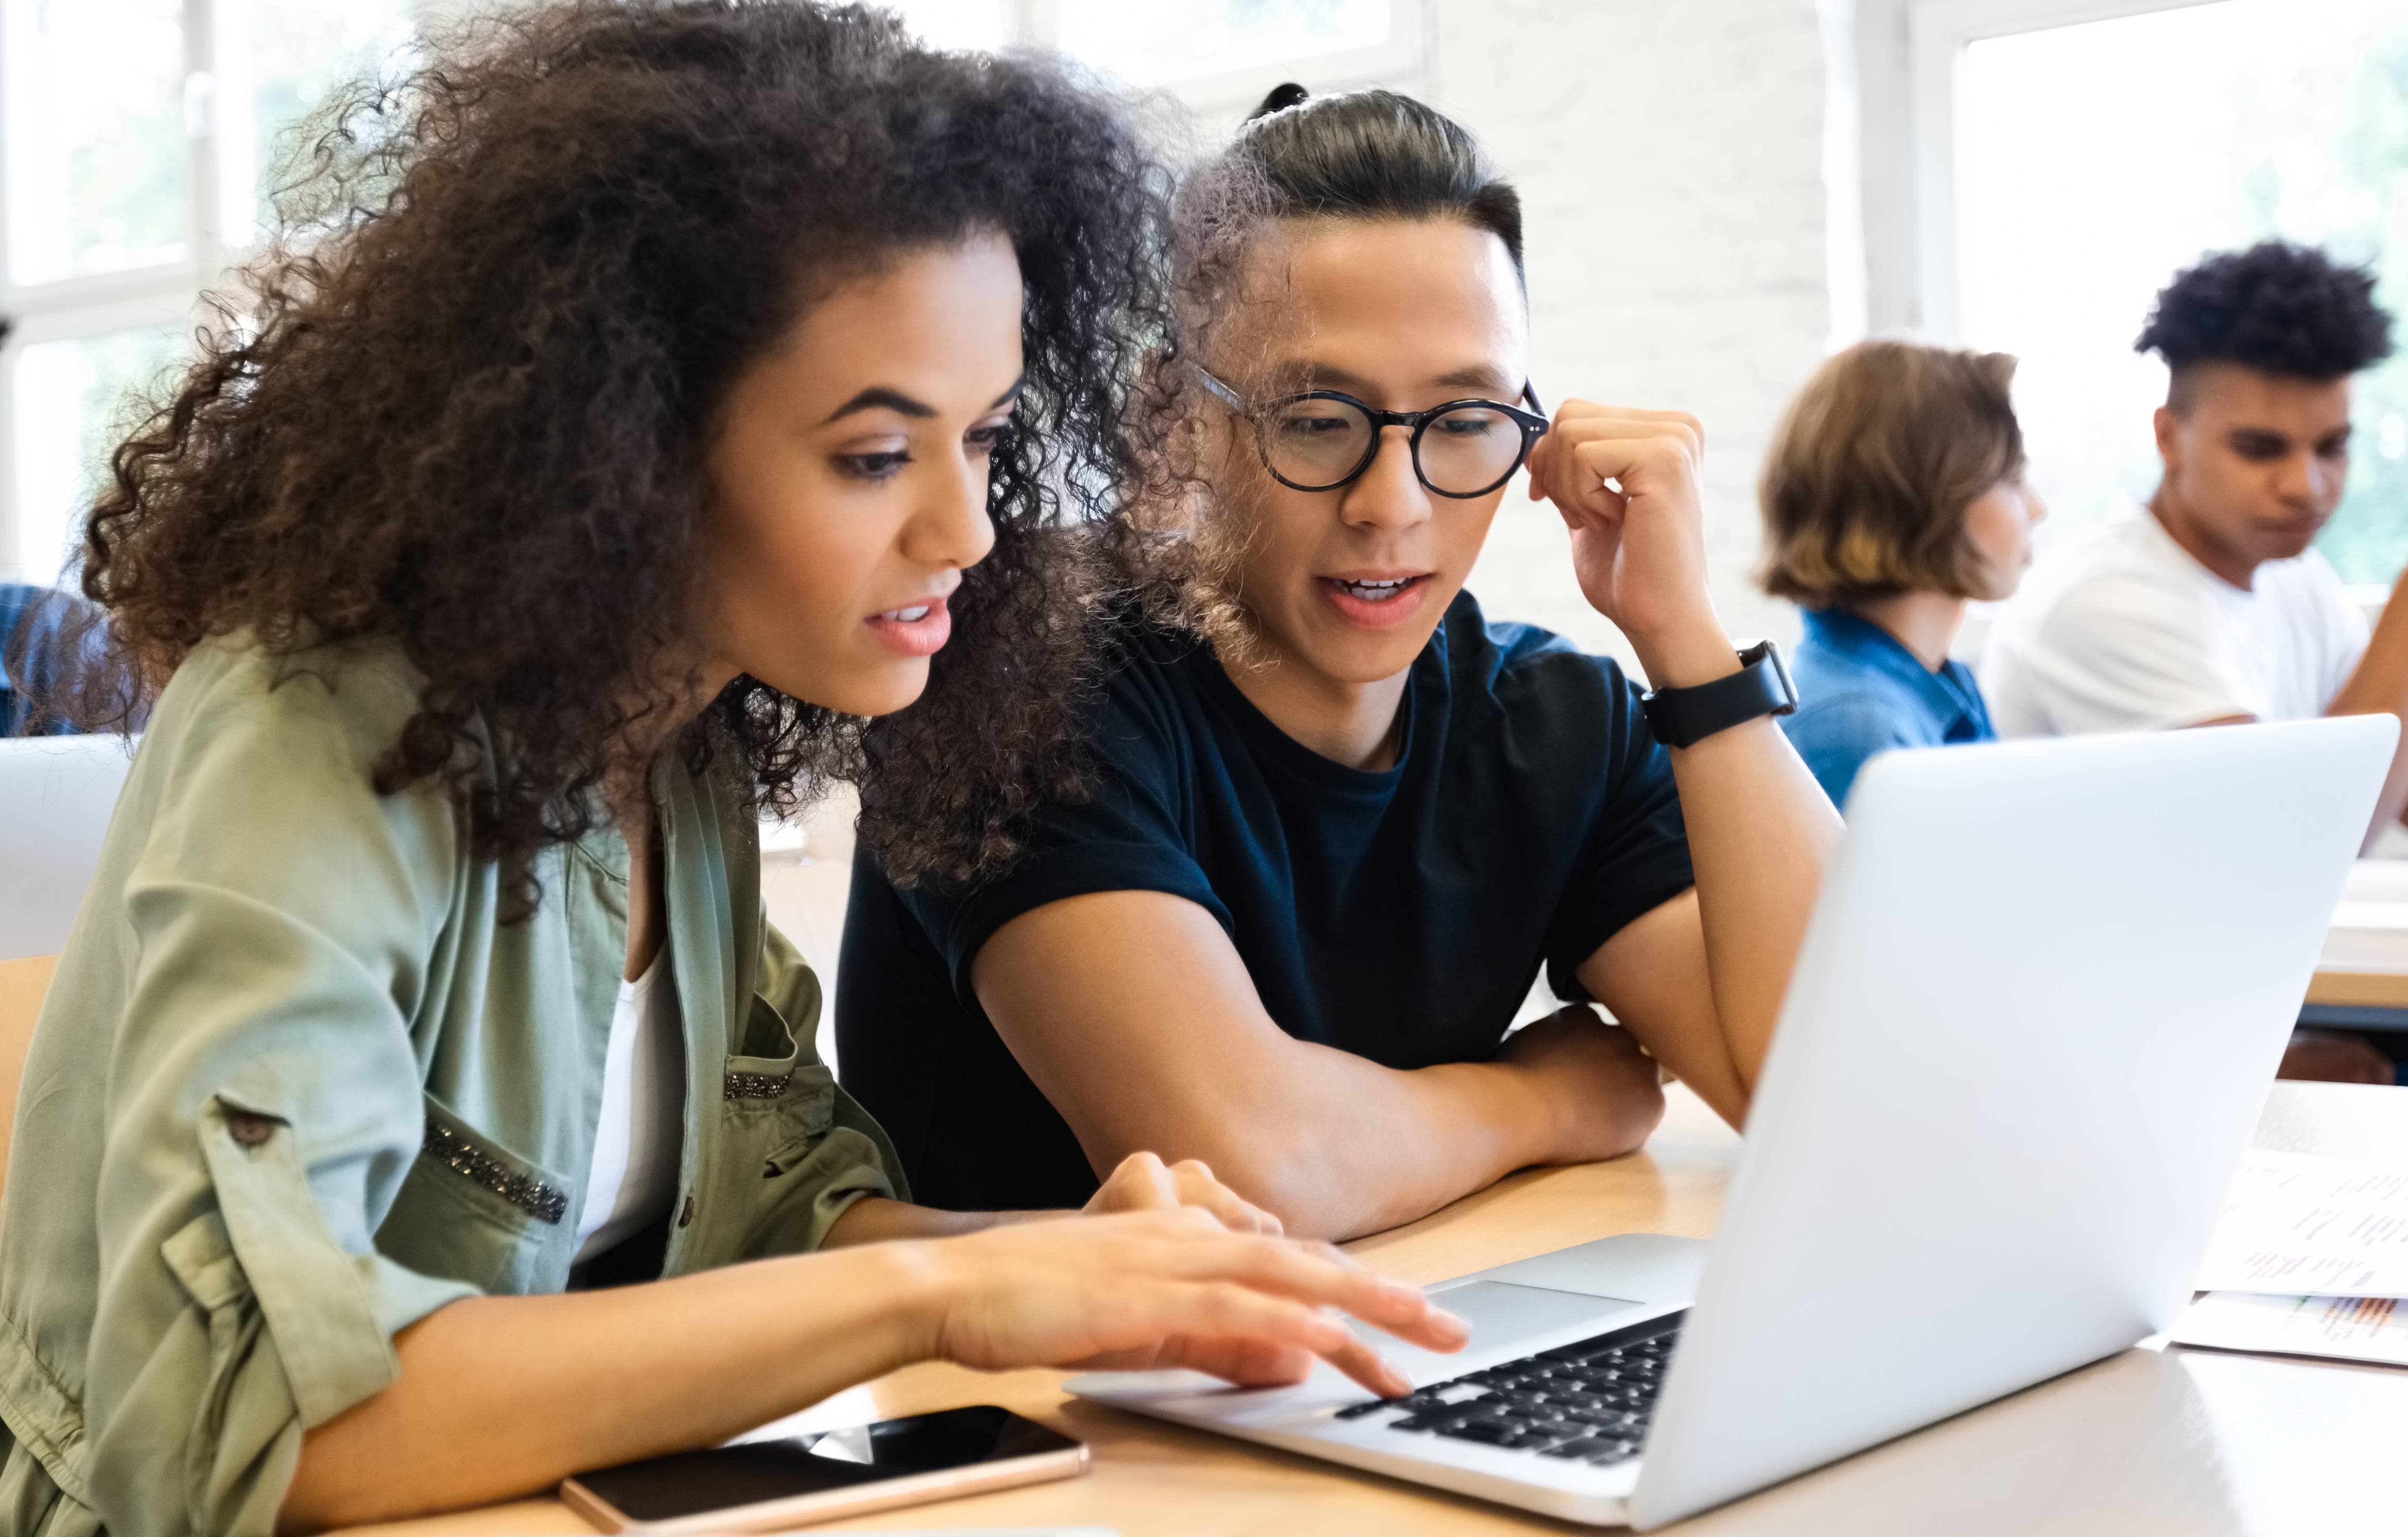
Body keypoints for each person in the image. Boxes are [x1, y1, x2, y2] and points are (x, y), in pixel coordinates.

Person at [0, 11, 1465, 1535]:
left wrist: (1084, 1271)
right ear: (623, 439)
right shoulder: (318, 728)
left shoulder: (677, 738)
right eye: (871, 453)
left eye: (984, 437)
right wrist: (946, 1290)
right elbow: (240, 1425)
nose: (967, 528)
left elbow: (774, 1202)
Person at [838, 85, 1841, 1241]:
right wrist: (1542, 1098)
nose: (1391, 506)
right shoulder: (1014, 683)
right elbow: (1252, 1170)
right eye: (1316, 419)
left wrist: (1682, 642)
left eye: (1463, 420)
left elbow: (1833, 1096)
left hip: (1395, 1358)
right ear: (1174, 419)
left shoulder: (1553, 722)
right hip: (1032, 1410)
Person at [1978, 240, 2406, 1085]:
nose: (2307, 487)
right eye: (2260, 448)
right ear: (2167, 436)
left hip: (2215, 1002)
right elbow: (2293, 853)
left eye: (2330, 446)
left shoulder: (2296, 580)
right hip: (2094, 1050)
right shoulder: (2104, 602)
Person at [1758, 340, 2045, 805]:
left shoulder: (1934, 685)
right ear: (1928, 498)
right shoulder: (1857, 728)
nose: (2037, 509)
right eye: (2012, 480)